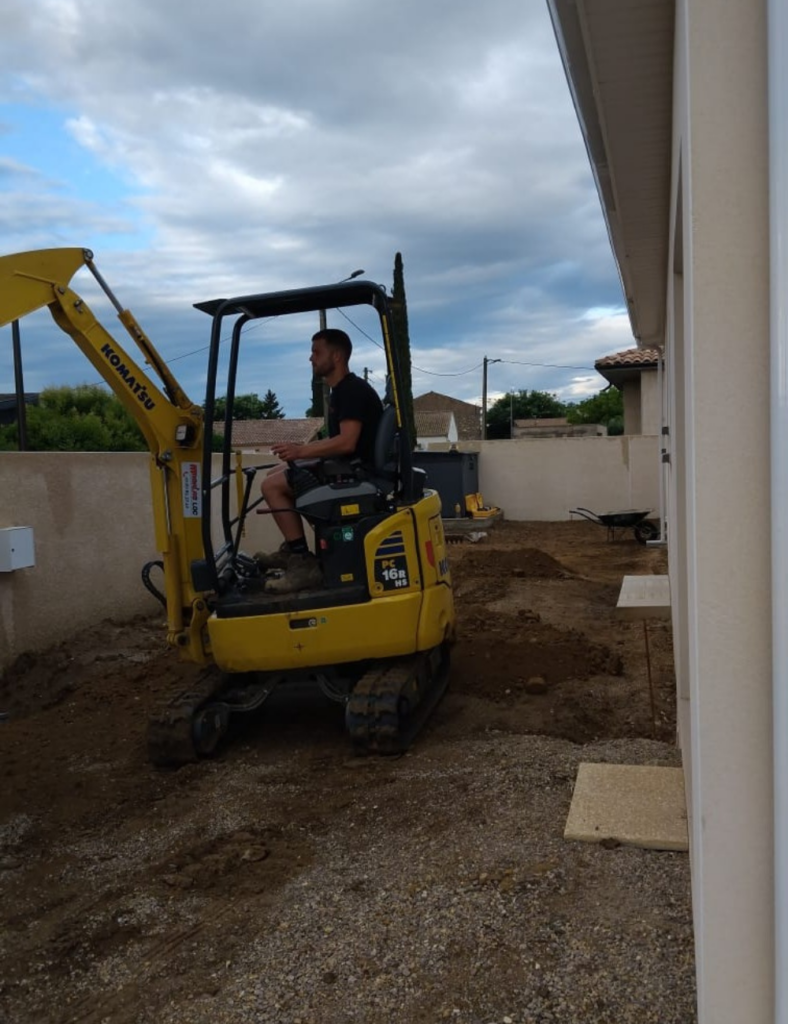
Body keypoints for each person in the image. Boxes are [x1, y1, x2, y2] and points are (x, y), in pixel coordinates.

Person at [256, 327, 383, 593]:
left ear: (336, 356)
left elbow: (347, 442)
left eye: (316, 352)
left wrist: (301, 452)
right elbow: (338, 443)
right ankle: (293, 549)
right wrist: (297, 454)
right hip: (347, 466)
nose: (311, 358)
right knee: (274, 474)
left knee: (271, 487)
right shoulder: (343, 391)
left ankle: (303, 563)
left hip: (356, 472)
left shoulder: (351, 392)